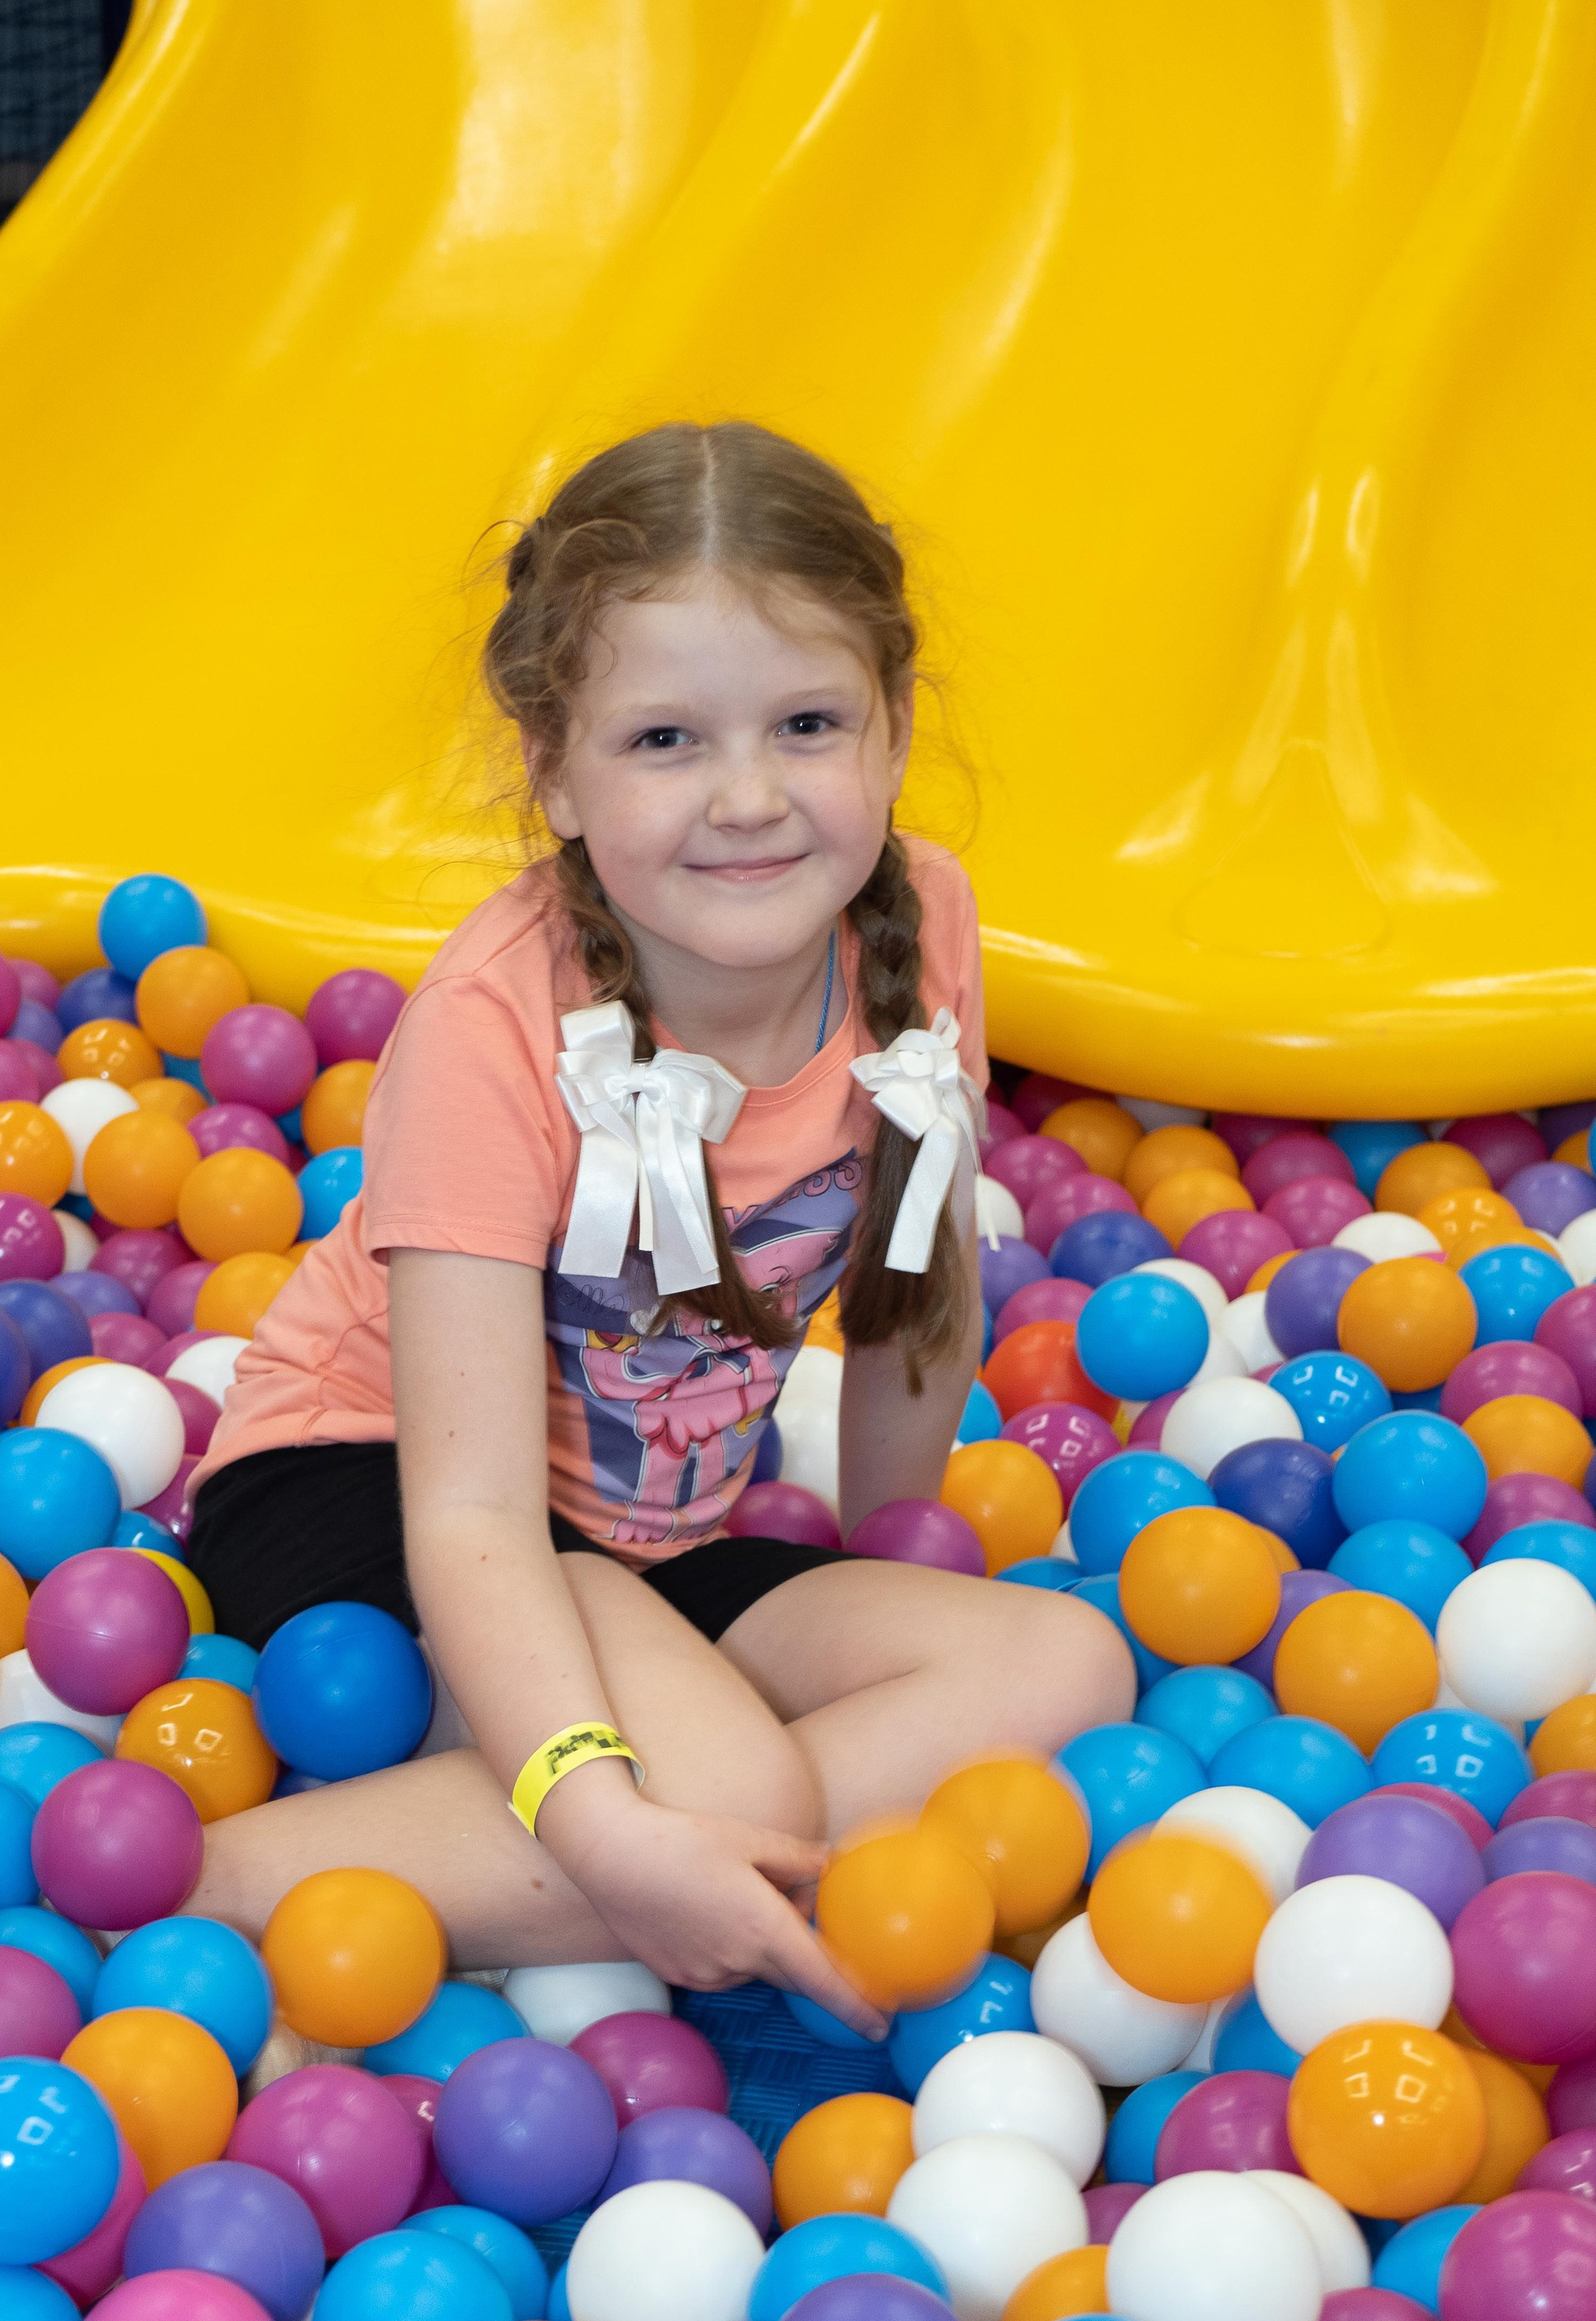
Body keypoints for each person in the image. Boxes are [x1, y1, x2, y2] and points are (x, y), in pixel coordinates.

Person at [185, 422, 1130, 2027]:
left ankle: (635, 1861)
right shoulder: (497, 1026)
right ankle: (228, 1892)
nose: (749, 798)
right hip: (371, 1482)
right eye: (665, 740)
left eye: (808, 723)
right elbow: (473, 1515)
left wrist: (880, 1548)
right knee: (716, 1765)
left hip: (648, 1534)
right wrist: (596, 1811)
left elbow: (913, 1280)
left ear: (894, 730)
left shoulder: (925, 924)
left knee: (1058, 1668)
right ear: (551, 766)